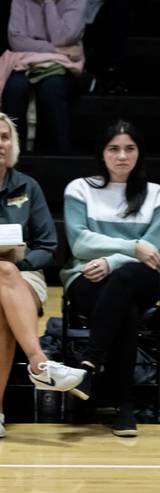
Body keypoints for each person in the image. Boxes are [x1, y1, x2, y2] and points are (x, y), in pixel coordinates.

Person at [61, 120, 160, 437]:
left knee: (124, 279)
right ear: (102, 153)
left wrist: (112, 260)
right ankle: (124, 404)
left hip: (141, 277)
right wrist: (130, 246)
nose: (122, 156)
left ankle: (89, 365)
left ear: (139, 153)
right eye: (114, 149)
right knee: (126, 311)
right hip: (85, 276)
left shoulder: (157, 195)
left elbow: (154, 251)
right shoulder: (79, 188)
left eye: (129, 148)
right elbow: (79, 243)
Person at [0, 112, 87, 437]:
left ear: (14, 145)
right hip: (11, 276)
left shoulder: (27, 186)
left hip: (22, 274)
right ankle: (40, 363)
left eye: (5, 137)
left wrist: (18, 262)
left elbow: (47, 245)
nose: (0, 143)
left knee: (4, 283)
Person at [3, 0, 87, 153]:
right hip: (25, 62)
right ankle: (13, 156)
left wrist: (48, 3)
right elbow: (17, 41)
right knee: (15, 88)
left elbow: (62, 37)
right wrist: (56, 50)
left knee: (52, 88)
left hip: (63, 65)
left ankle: (60, 155)